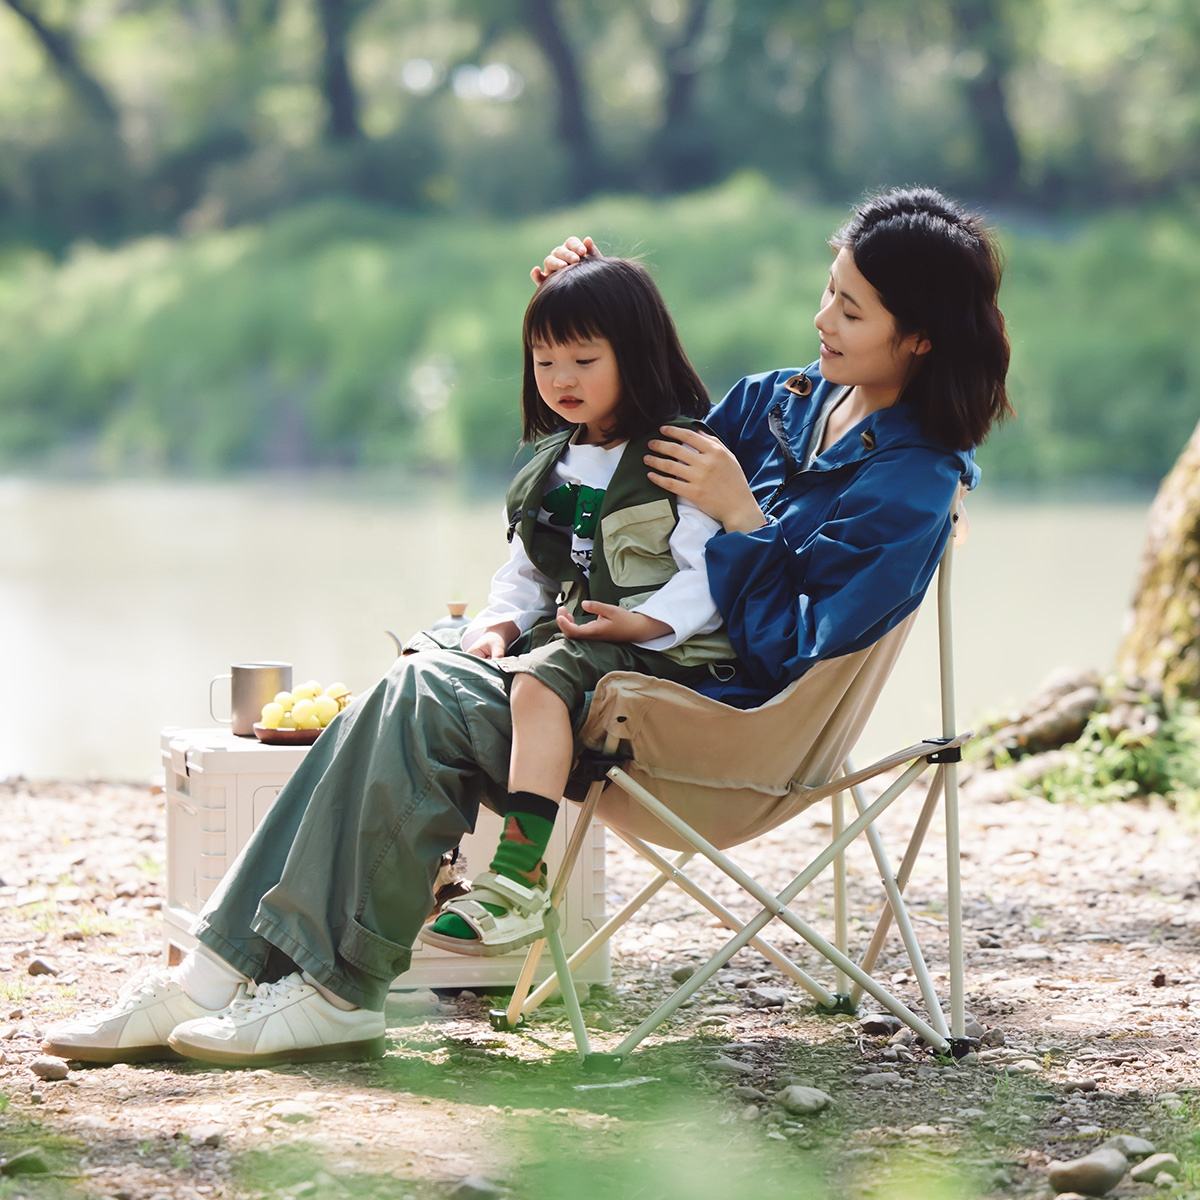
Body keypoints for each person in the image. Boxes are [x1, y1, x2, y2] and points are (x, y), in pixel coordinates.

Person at [41, 184, 1010, 1069]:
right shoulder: (783, 403)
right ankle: (221, 973)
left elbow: (791, 649)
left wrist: (749, 518)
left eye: (851, 308)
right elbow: (650, 463)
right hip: (608, 668)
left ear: (919, 336)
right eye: (828, 293)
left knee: (420, 694)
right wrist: (597, 314)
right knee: (415, 674)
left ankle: (319, 987)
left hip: (699, 713)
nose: (821, 319)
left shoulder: (912, 485)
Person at [417, 256, 734, 956]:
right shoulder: (555, 460)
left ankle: (518, 882)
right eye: (544, 361)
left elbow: (710, 573)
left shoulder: (679, 453)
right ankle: (437, 859)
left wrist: (646, 622)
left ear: (637, 354)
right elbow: (527, 570)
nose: (561, 380)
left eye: (584, 359)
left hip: (663, 648)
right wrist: (497, 623)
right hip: (581, 626)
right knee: (433, 652)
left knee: (539, 679)